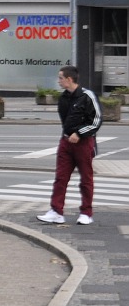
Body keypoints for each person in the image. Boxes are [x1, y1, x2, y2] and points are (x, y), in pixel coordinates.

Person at [37, 65, 101, 225]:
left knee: (86, 179)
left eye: (60, 78)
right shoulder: (64, 98)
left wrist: (79, 133)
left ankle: (86, 213)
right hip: (66, 142)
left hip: (84, 143)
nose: (58, 81)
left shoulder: (87, 96)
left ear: (69, 79)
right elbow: (66, 121)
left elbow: (96, 120)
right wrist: (67, 135)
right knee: (60, 177)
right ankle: (56, 211)